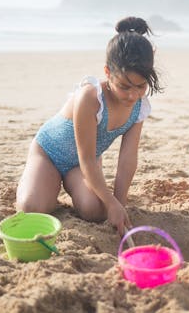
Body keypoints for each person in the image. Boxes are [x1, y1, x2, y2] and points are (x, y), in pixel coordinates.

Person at [16, 17, 162, 235]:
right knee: (32, 208)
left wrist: (118, 205)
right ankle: (43, 179)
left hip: (82, 165)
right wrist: (111, 202)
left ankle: (67, 184)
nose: (132, 95)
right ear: (107, 72)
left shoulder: (139, 106)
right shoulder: (91, 97)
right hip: (49, 153)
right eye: (124, 86)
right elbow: (86, 157)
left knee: (96, 212)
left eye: (140, 86)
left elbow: (127, 159)